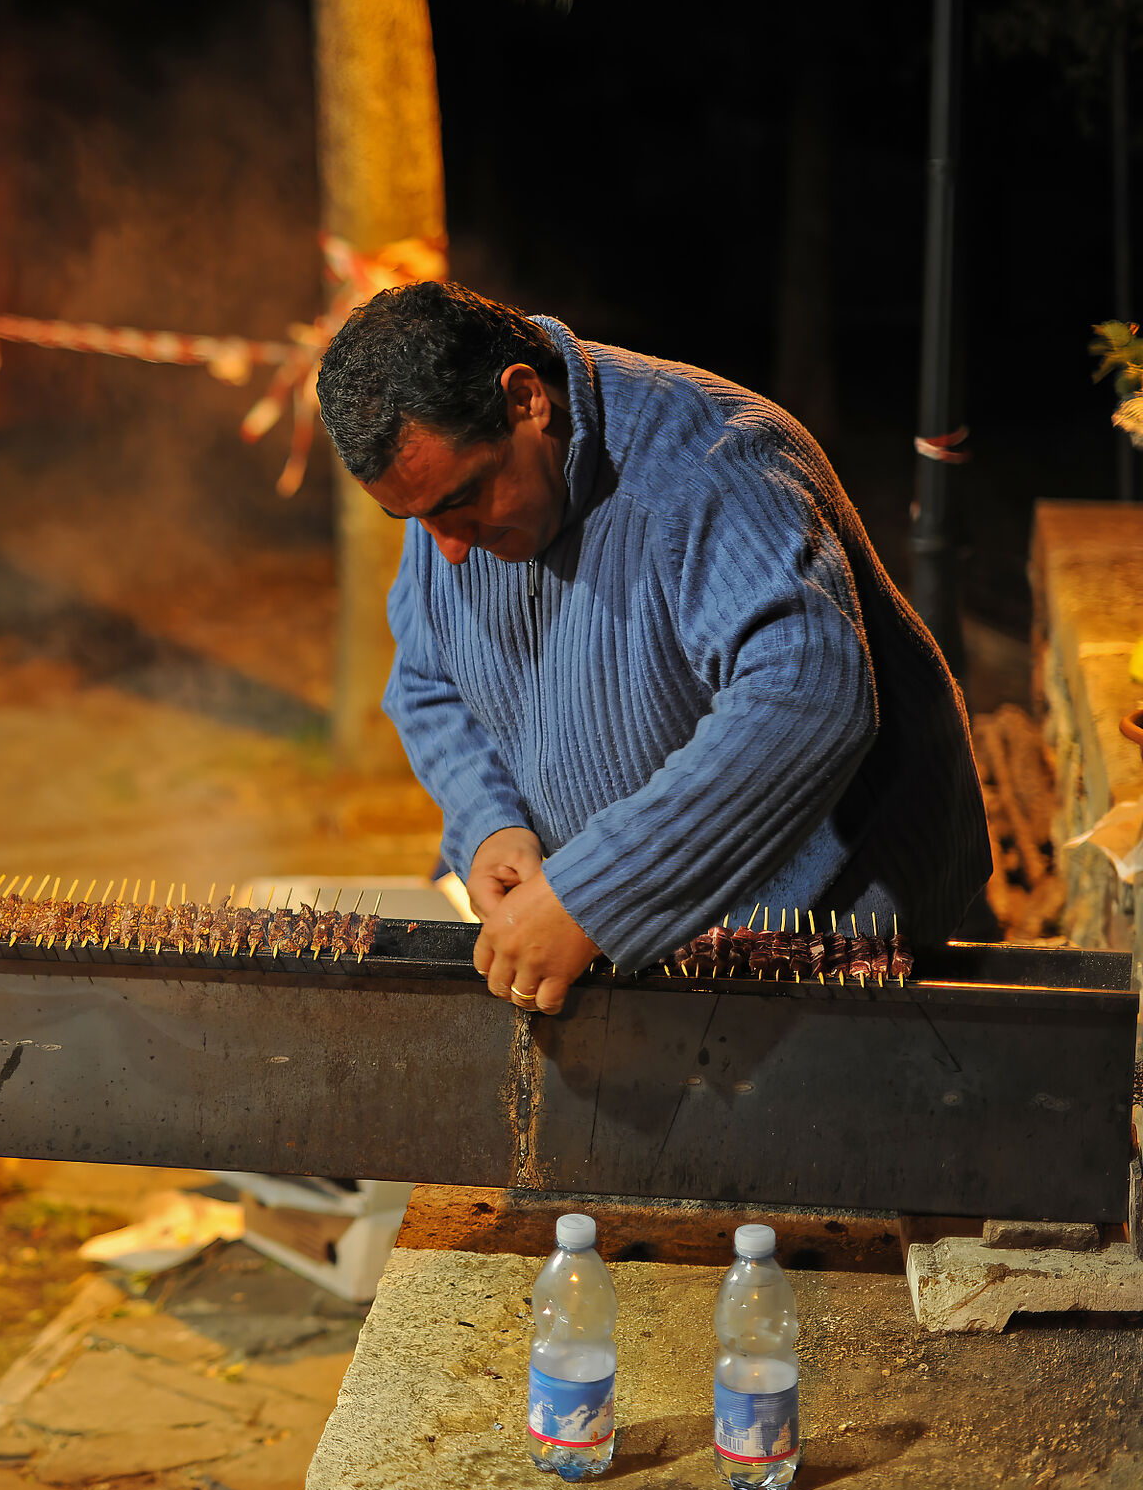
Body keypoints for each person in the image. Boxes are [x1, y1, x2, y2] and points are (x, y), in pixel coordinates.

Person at [314, 281, 987, 1014]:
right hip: (638, 932)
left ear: (526, 400)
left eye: (456, 503)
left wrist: (594, 896)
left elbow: (809, 695)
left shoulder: (710, 465)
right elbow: (427, 681)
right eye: (408, 517)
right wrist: (490, 824)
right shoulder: (446, 492)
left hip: (837, 925)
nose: (444, 551)